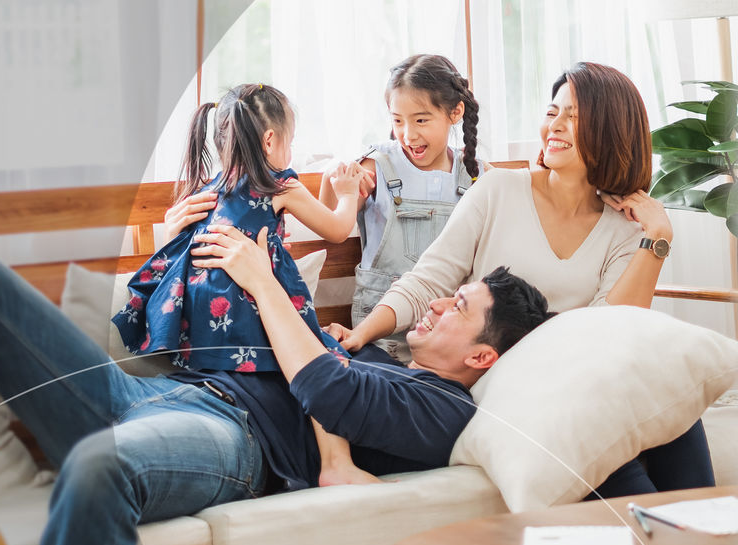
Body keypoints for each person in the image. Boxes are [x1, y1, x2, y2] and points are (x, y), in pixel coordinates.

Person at [0, 224, 552, 545]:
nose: (436, 304)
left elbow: (330, 395)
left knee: (99, 465)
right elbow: (323, 381)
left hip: (230, 442)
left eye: (458, 307)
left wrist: (265, 280)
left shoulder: (441, 408)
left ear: (484, 356)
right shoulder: (376, 356)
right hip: (160, 395)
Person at [329, 61, 714, 499]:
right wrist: (360, 335)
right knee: (594, 423)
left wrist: (657, 239)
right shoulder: (498, 189)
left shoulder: (624, 229)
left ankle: (700, 530)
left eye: (573, 115)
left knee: (675, 404)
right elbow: (427, 281)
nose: (556, 125)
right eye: (553, 112)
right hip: (493, 380)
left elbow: (613, 330)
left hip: (565, 385)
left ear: (609, 128)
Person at [112, 82, 364, 373]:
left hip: (201, 322)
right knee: (325, 359)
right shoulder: (280, 186)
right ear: (269, 141)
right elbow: (336, 230)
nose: (291, 151)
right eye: (290, 141)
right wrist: (348, 194)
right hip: (248, 309)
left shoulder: (207, 190)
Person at [319, 54, 486, 363]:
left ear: (455, 113)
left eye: (421, 120)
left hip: (447, 338)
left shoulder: (476, 176)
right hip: (378, 337)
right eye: (398, 121)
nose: (408, 134)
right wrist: (333, 179)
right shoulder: (376, 166)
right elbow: (333, 229)